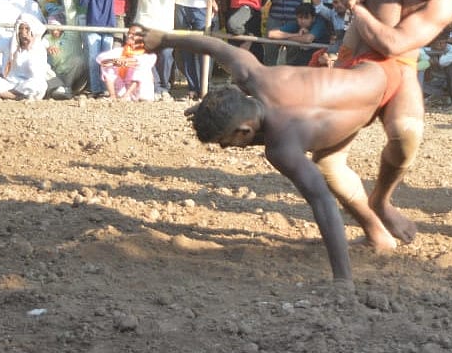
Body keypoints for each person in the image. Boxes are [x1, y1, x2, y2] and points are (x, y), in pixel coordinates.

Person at [142, 28, 405, 281]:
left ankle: (380, 213)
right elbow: (214, 45)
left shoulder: (281, 149)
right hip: (366, 66)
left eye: (226, 142)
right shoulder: (254, 74)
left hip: (392, 86)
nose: (225, 148)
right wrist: (164, 39)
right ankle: (377, 233)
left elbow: (322, 202)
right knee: (329, 167)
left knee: (358, 158)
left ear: (243, 130)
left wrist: (343, 279)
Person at [335, 0, 452, 243]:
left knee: (407, 138)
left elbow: (392, 45)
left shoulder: (445, 4)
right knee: (329, 153)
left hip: (399, 58)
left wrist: (355, 7)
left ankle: (380, 201)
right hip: (358, 52)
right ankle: (367, 221)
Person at [131, 0, 182, 99]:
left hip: (165, 23)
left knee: (166, 55)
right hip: (146, 21)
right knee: (147, 55)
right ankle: (154, 87)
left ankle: (164, 88)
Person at [97, 24, 157, 102]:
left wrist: (122, 62)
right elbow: (101, 60)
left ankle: (127, 96)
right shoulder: (120, 51)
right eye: (129, 33)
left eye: (133, 34)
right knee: (108, 66)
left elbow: (138, 63)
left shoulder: (149, 53)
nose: (129, 36)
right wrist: (118, 62)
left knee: (140, 68)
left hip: (142, 92)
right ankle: (112, 96)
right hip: (122, 89)